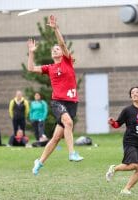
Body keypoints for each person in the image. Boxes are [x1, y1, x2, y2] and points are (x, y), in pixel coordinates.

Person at [27, 15, 84, 175]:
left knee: (56, 138)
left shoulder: (67, 61)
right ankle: (72, 153)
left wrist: (55, 28)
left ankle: (39, 161)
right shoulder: (50, 68)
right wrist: (31, 52)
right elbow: (31, 68)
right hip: (58, 102)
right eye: (53, 50)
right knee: (69, 123)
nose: (55, 49)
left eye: (57, 49)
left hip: (72, 103)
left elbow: (62, 43)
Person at [105, 86, 138, 195]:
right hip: (130, 141)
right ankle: (114, 168)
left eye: (137, 92)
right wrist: (112, 122)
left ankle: (126, 189)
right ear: (131, 96)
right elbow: (117, 124)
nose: (135, 94)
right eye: (132, 93)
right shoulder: (127, 110)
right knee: (134, 165)